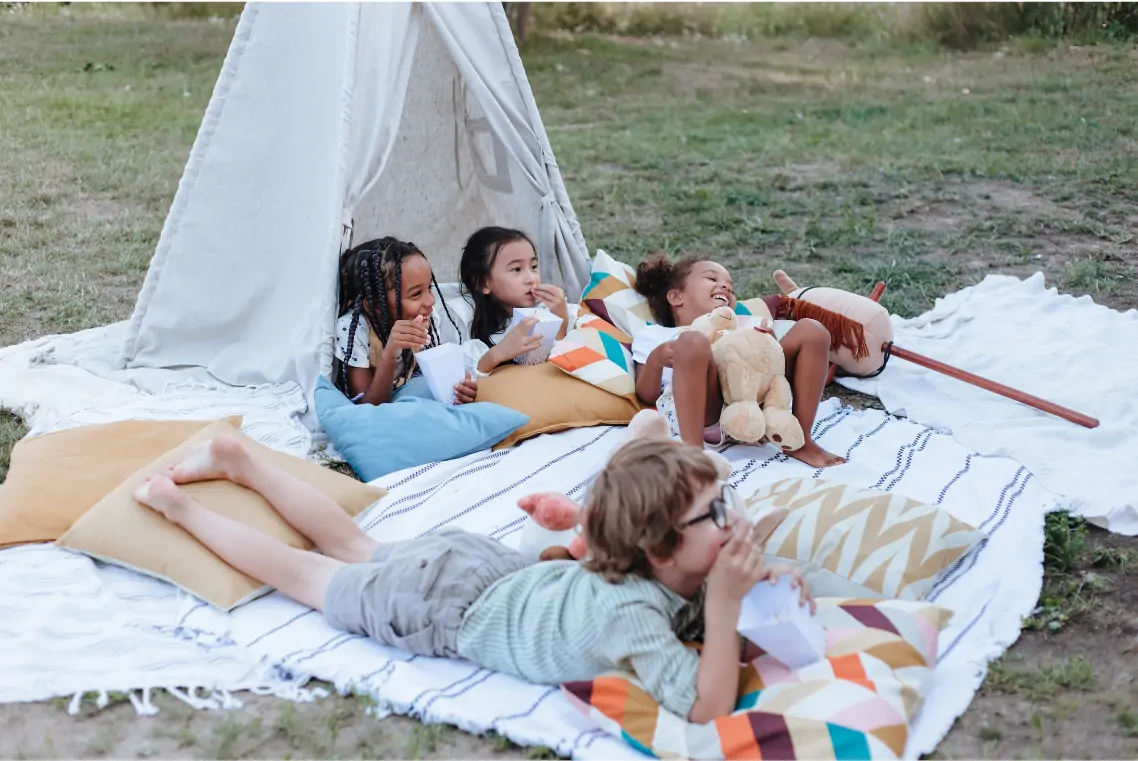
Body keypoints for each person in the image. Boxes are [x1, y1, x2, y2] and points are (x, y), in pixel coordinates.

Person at [132, 432, 812, 724]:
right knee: (305, 572)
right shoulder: (630, 613)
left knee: (353, 542)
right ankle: (180, 505)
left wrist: (763, 588)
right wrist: (726, 605)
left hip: (484, 567)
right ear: (660, 550)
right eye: (716, 510)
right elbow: (704, 707)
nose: (735, 516)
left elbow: (709, 611)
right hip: (443, 608)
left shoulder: (670, 573)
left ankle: (241, 462)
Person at [632, 252, 845, 468]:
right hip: (706, 411)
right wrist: (656, 360)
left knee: (813, 330)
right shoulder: (656, 336)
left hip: (756, 405)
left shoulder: (742, 326)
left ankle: (800, 440)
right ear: (677, 297)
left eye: (730, 287)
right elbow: (646, 395)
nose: (725, 287)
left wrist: (768, 349)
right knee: (693, 341)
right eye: (712, 279)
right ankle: (693, 454)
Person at [334, 237, 473, 406]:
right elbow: (368, 406)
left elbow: (434, 378)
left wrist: (459, 387)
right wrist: (391, 353)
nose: (430, 301)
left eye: (429, 288)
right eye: (416, 294)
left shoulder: (427, 319)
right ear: (376, 304)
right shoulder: (353, 330)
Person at [457, 226, 576, 378]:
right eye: (517, 269)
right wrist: (498, 353)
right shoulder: (467, 324)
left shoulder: (551, 309)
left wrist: (561, 323)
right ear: (483, 284)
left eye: (533, 267)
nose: (531, 279)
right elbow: (464, 382)